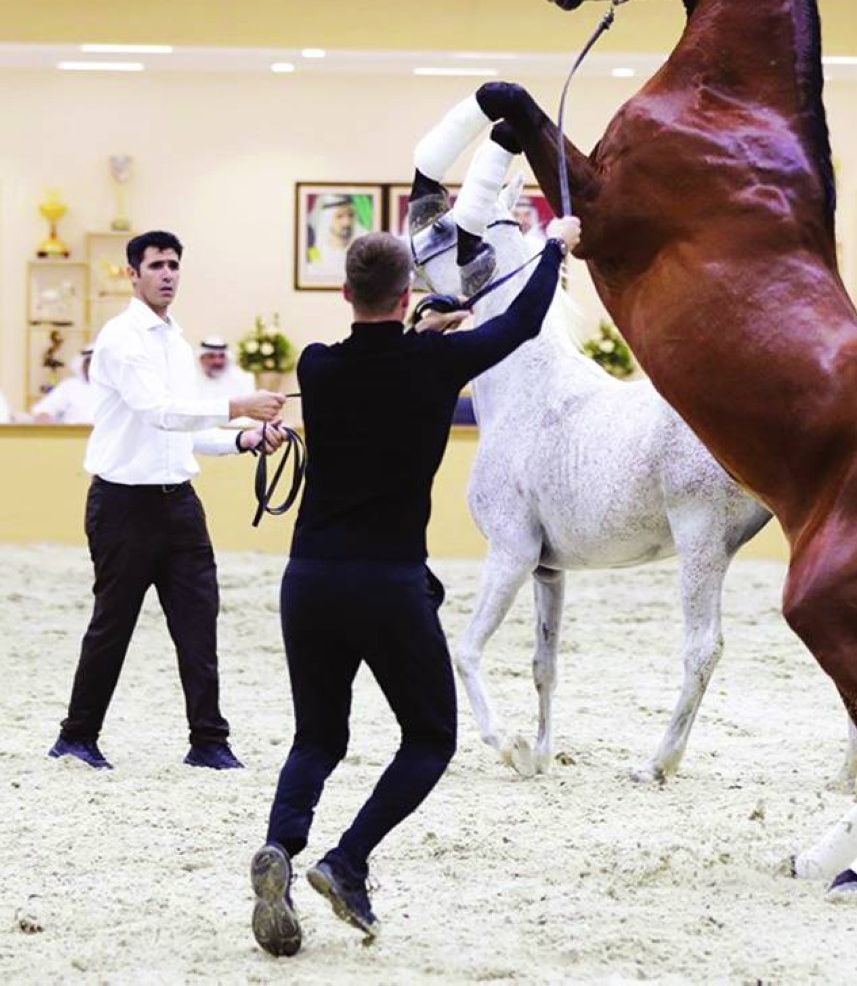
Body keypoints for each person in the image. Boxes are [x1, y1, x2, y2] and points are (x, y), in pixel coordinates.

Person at [248, 213, 581, 957]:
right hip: (388, 581)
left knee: (317, 736)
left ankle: (280, 844)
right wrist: (555, 245)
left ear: (345, 292)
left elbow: (368, 362)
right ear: (407, 295)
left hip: (309, 580)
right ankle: (348, 859)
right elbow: (524, 321)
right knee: (430, 737)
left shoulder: (315, 365)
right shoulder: (437, 365)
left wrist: (420, 334)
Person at [48, 230, 289, 772]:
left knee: (199, 625)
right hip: (122, 508)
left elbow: (181, 430)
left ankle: (208, 741)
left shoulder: (174, 342)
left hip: (179, 503)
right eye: (156, 265)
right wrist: (239, 405)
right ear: (132, 274)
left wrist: (244, 439)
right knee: (113, 624)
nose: (167, 274)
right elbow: (160, 412)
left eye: (174, 265)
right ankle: (77, 736)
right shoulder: (120, 339)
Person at [307, 193, 369, 281]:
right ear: (327, 219)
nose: (347, 222)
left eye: (351, 215)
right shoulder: (315, 253)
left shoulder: (364, 252)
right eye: (339, 216)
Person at [32, 344, 99, 424]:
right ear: (82, 364)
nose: (91, 367)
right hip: (74, 434)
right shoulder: (70, 386)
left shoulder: (114, 387)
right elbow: (44, 411)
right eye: (88, 362)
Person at [195, 336, 256, 403]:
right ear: (201, 359)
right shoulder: (190, 380)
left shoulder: (242, 379)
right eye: (211, 356)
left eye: (221, 356)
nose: (217, 361)